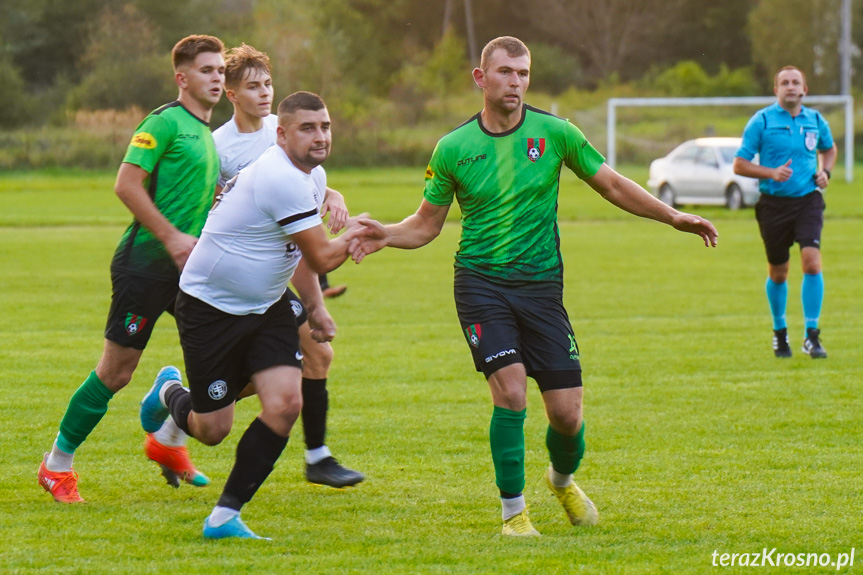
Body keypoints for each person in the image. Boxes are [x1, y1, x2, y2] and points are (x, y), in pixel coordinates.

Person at [350, 36, 718, 537]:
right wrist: (385, 236)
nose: (516, 83)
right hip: (480, 285)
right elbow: (426, 224)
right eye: (505, 72)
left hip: (542, 289)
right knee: (512, 392)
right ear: (481, 79)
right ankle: (513, 513)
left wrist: (672, 216)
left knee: (567, 416)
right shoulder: (454, 148)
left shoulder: (556, 133)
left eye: (523, 74)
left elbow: (610, 183)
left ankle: (562, 480)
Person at [140, 91, 362, 540]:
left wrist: (316, 308)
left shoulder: (312, 176)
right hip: (210, 308)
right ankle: (170, 393)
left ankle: (223, 518)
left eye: (325, 126)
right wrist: (363, 233)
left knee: (284, 403)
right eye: (307, 128)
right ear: (280, 134)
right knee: (211, 428)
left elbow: (298, 252)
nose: (320, 136)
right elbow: (321, 256)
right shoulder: (280, 177)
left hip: (267, 305)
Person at [37, 35, 226, 503]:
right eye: (206, 70)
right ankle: (56, 465)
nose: (217, 78)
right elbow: (126, 184)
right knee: (116, 371)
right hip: (144, 267)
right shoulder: (163, 123)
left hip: (192, 272)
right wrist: (171, 236)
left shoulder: (207, 134)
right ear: (182, 77)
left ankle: (169, 436)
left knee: (228, 357)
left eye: (220, 70)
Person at [207, 43, 363, 487]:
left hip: (281, 268)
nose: (264, 93)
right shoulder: (218, 147)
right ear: (231, 94)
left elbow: (310, 185)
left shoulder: (287, 126)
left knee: (314, 354)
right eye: (252, 86)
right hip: (238, 273)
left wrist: (334, 196)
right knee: (231, 398)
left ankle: (317, 457)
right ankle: (178, 406)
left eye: (268, 84)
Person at [733, 66, 836, 359]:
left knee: (812, 262)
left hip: (807, 201)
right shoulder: (762, 121)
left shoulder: (816, 120)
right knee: (779, 272)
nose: (790, 87)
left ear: (804, 89)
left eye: (796, 83)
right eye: (784, 83)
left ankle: (812, 336)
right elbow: (739, 164)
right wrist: (770, 172)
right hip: (773, 205)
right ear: (775, 89)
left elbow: (829, 149)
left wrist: (825, 171)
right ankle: (780, 334)